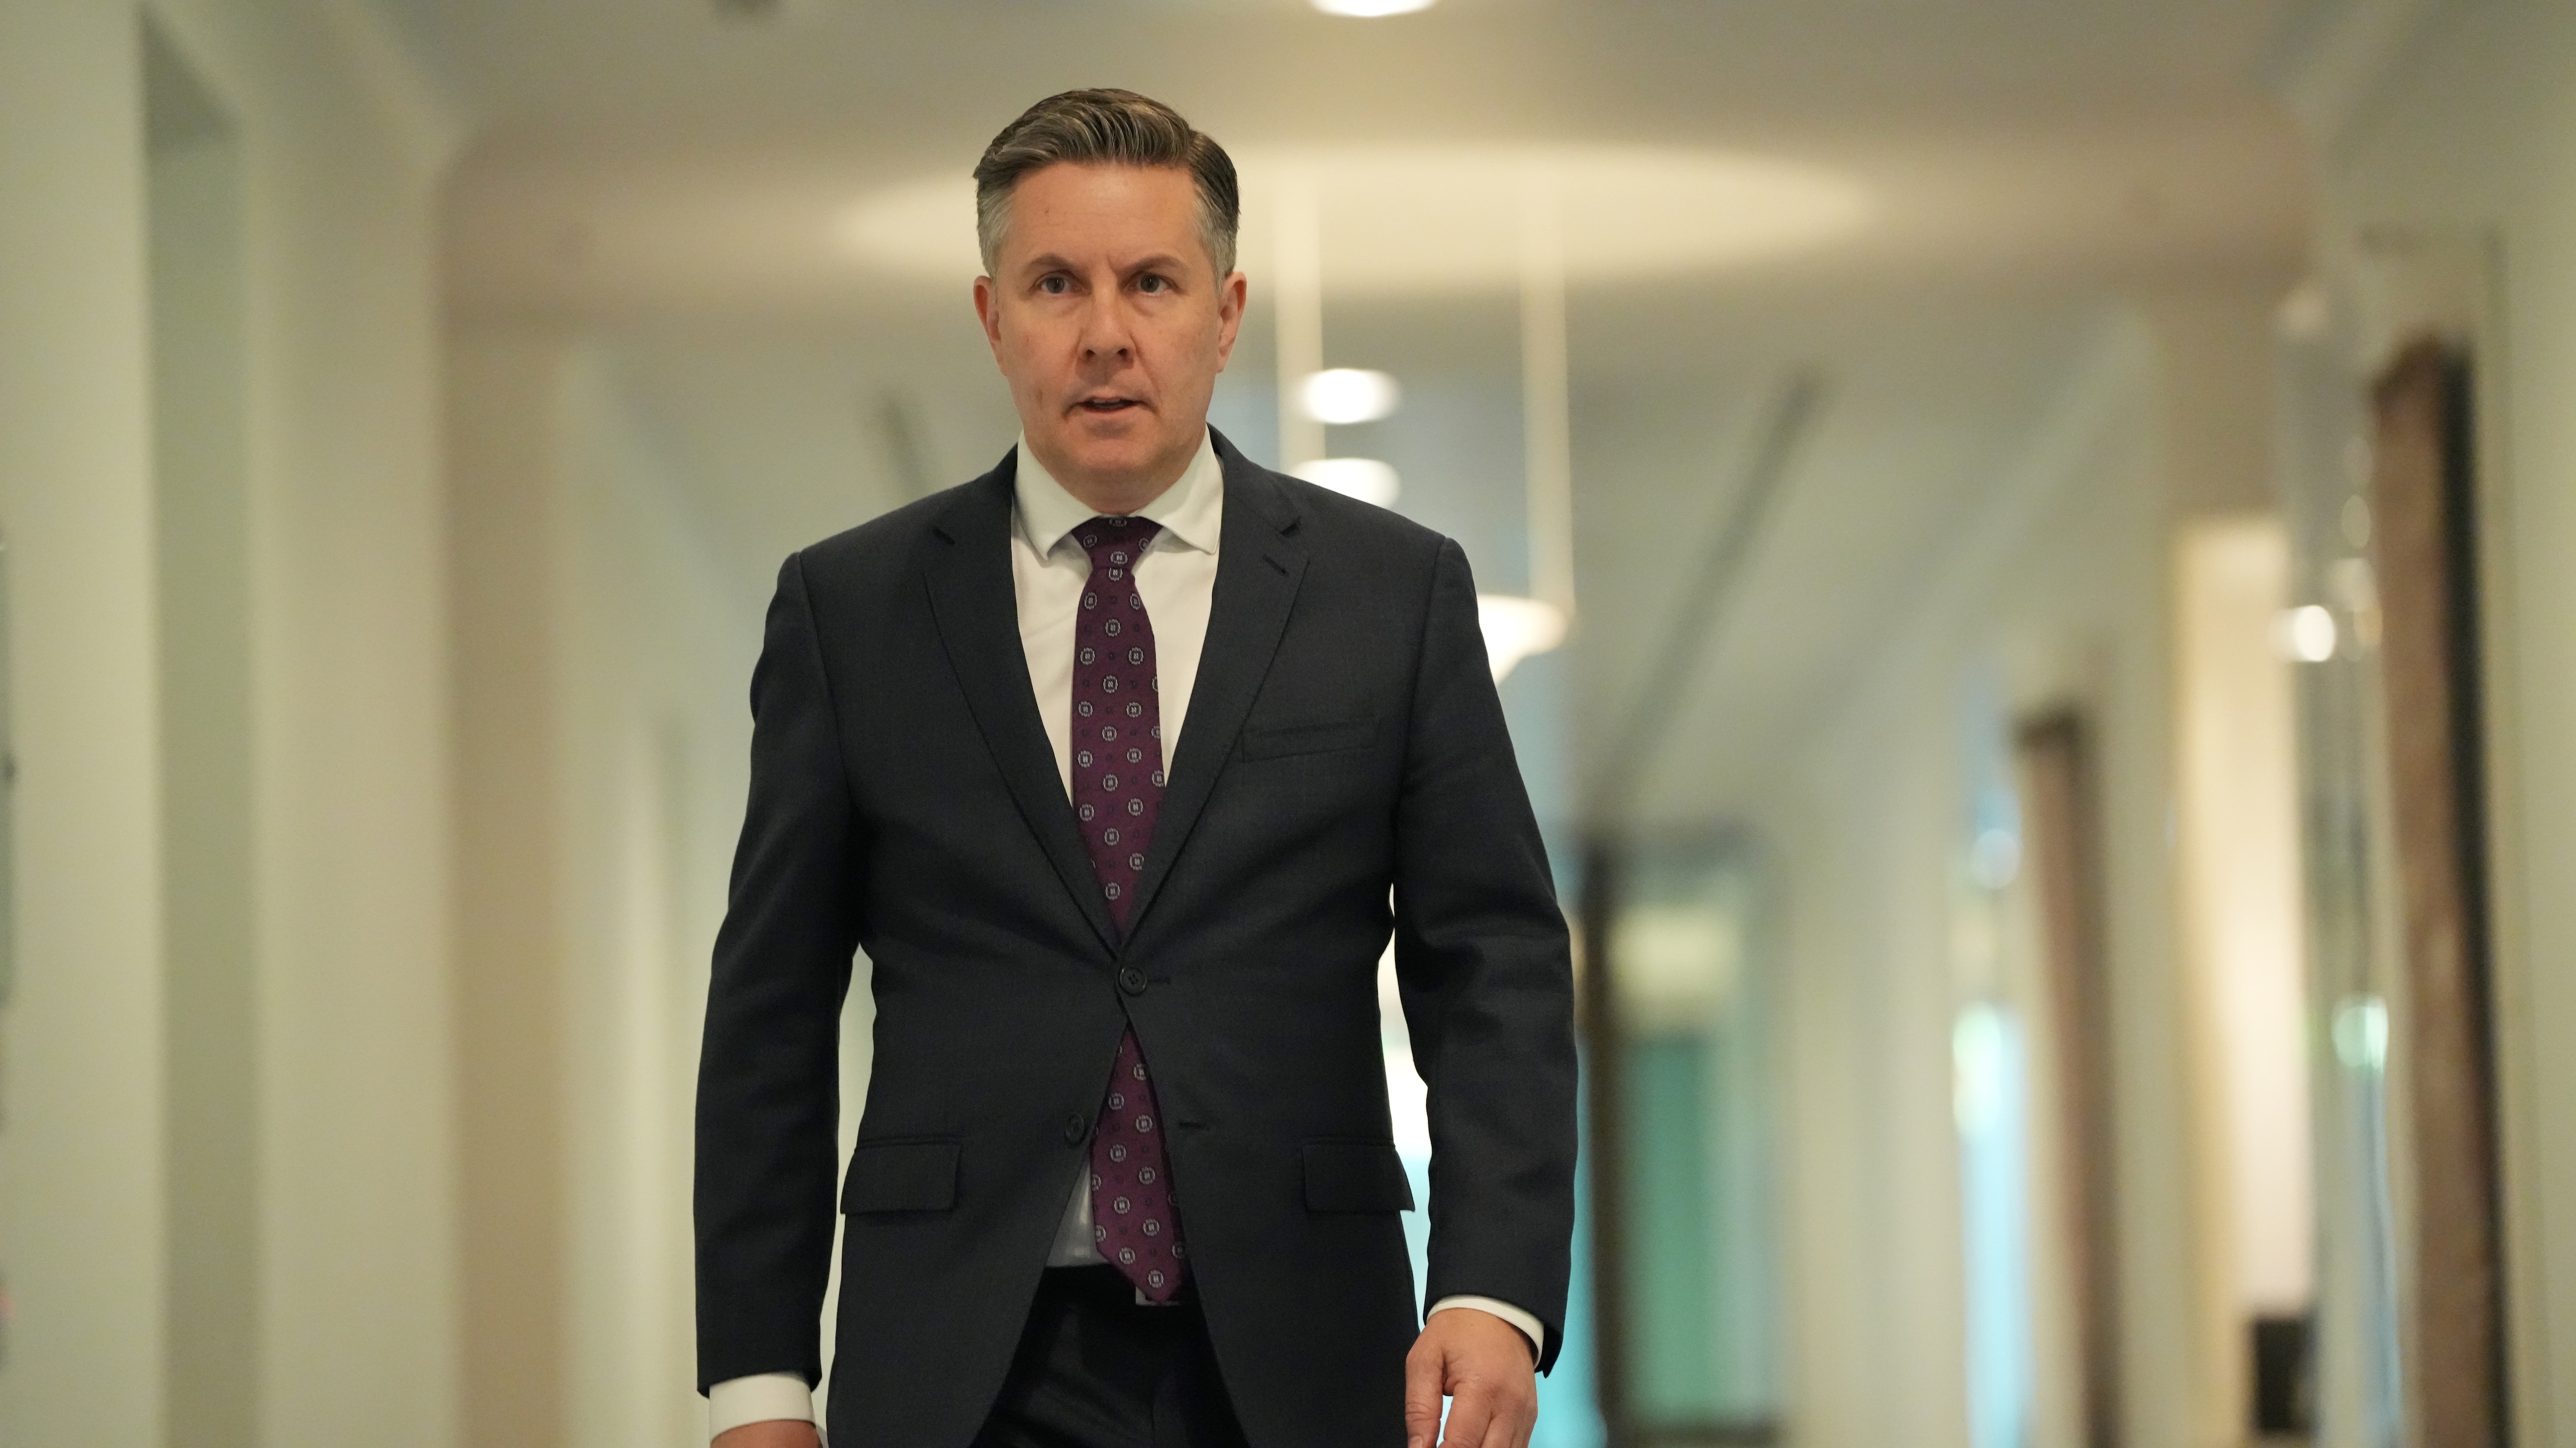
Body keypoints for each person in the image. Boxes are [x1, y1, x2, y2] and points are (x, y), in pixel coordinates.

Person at [694, 89, 1575, 1448]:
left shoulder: (1389, 595)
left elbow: (1493, 963)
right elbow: (771, 1006)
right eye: (1055, 282)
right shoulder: (851, 610)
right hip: (961, 1362)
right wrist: (758, 1384)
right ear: (993, 316)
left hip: (1305, 1348)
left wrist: (1493, 1285)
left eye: (1150, 282)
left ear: (1224, 313)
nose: (1105, 332)